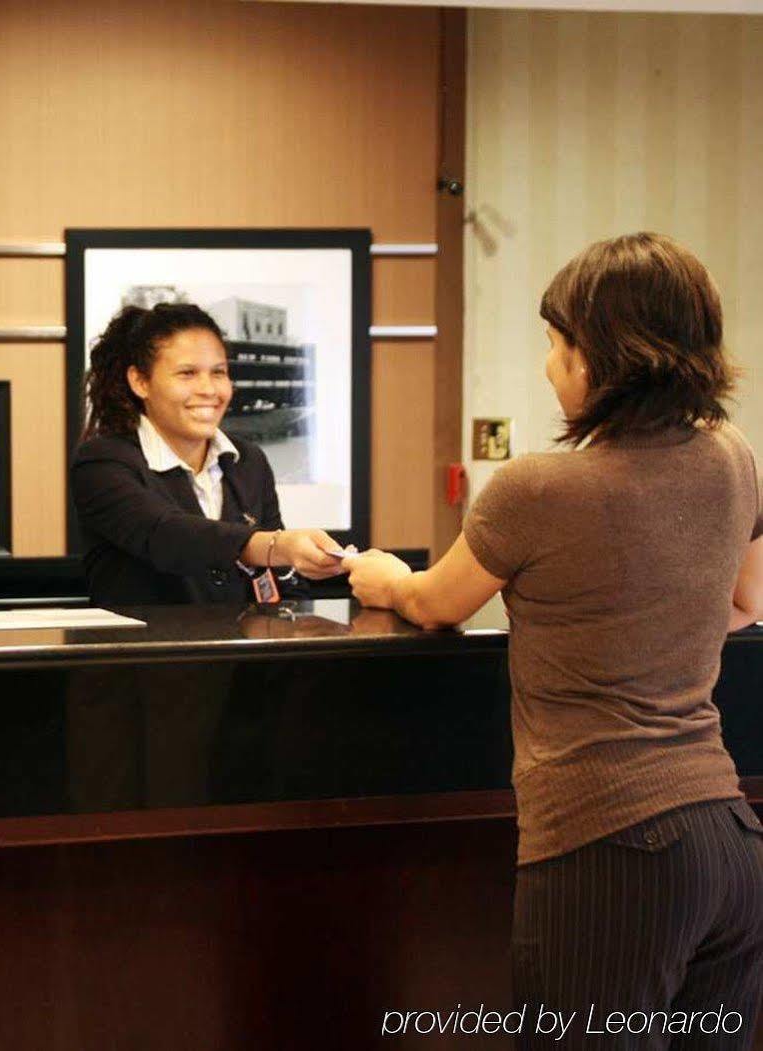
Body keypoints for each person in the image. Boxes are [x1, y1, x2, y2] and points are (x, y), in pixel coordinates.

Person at [346, 233, 763, 1048]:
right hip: (728, 840)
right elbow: (747, 602)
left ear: (599, 355)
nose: (547, 366)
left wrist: (381, 575)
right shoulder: (731, 458)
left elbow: (436, 603)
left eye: (555, 343)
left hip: (607, 846)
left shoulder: (539, 487)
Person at [70, 302, 347, 605]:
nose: (209, 389)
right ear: (140, 381)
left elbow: (280, 580)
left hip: (242, 651)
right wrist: (275, 545)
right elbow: (166, 535)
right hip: (147, 651)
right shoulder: (102, 462)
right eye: (187, 373)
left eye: (218, 372)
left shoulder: (248, 461)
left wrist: (298, 623)